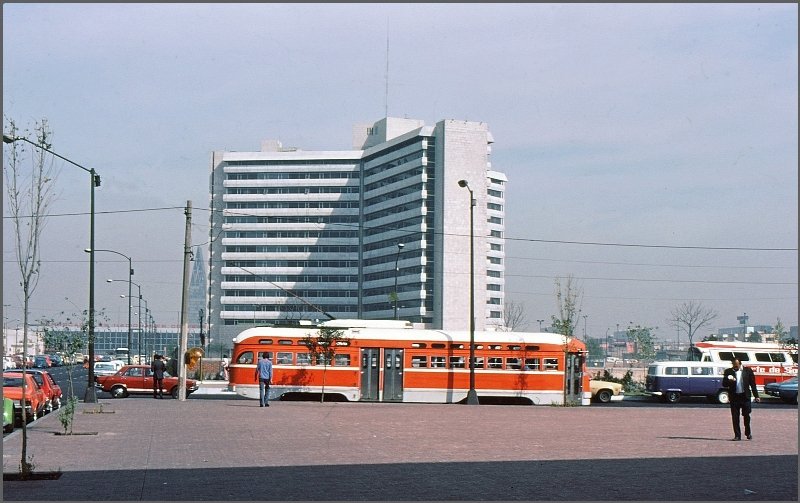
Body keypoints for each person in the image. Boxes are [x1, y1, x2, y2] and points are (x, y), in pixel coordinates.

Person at [722, 358, 760, 440]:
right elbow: (724, 384)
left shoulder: (748, 371)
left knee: (746, 416)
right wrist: (730, 381)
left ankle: (748, 432)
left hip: (745, 397)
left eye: (736, 365)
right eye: (733, 365)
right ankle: (737, 435)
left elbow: (753, 384)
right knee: (735, 417)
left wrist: (756, 396)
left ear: (740, 364)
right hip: (734, 397)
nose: (734, 367)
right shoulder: (728, 371)